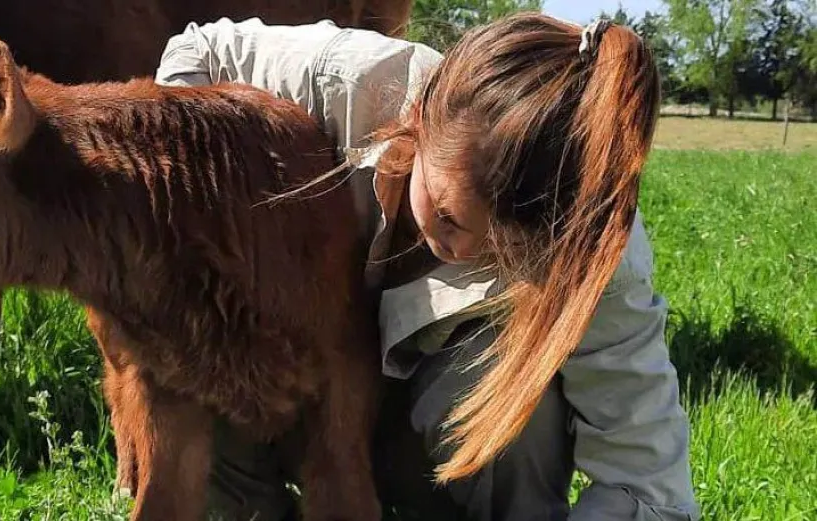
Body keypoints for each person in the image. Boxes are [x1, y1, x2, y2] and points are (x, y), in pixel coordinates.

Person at [154, 13, 699, 521]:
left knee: (519, 408)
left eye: (503, 254)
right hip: (286, 385)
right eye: (446, 214)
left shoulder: (596, 250)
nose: (460, 251)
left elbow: (646, 485)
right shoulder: (350, 78)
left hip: (422, 440)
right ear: (418, 118)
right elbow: (198, 48)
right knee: (203, 339)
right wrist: (209, 205)